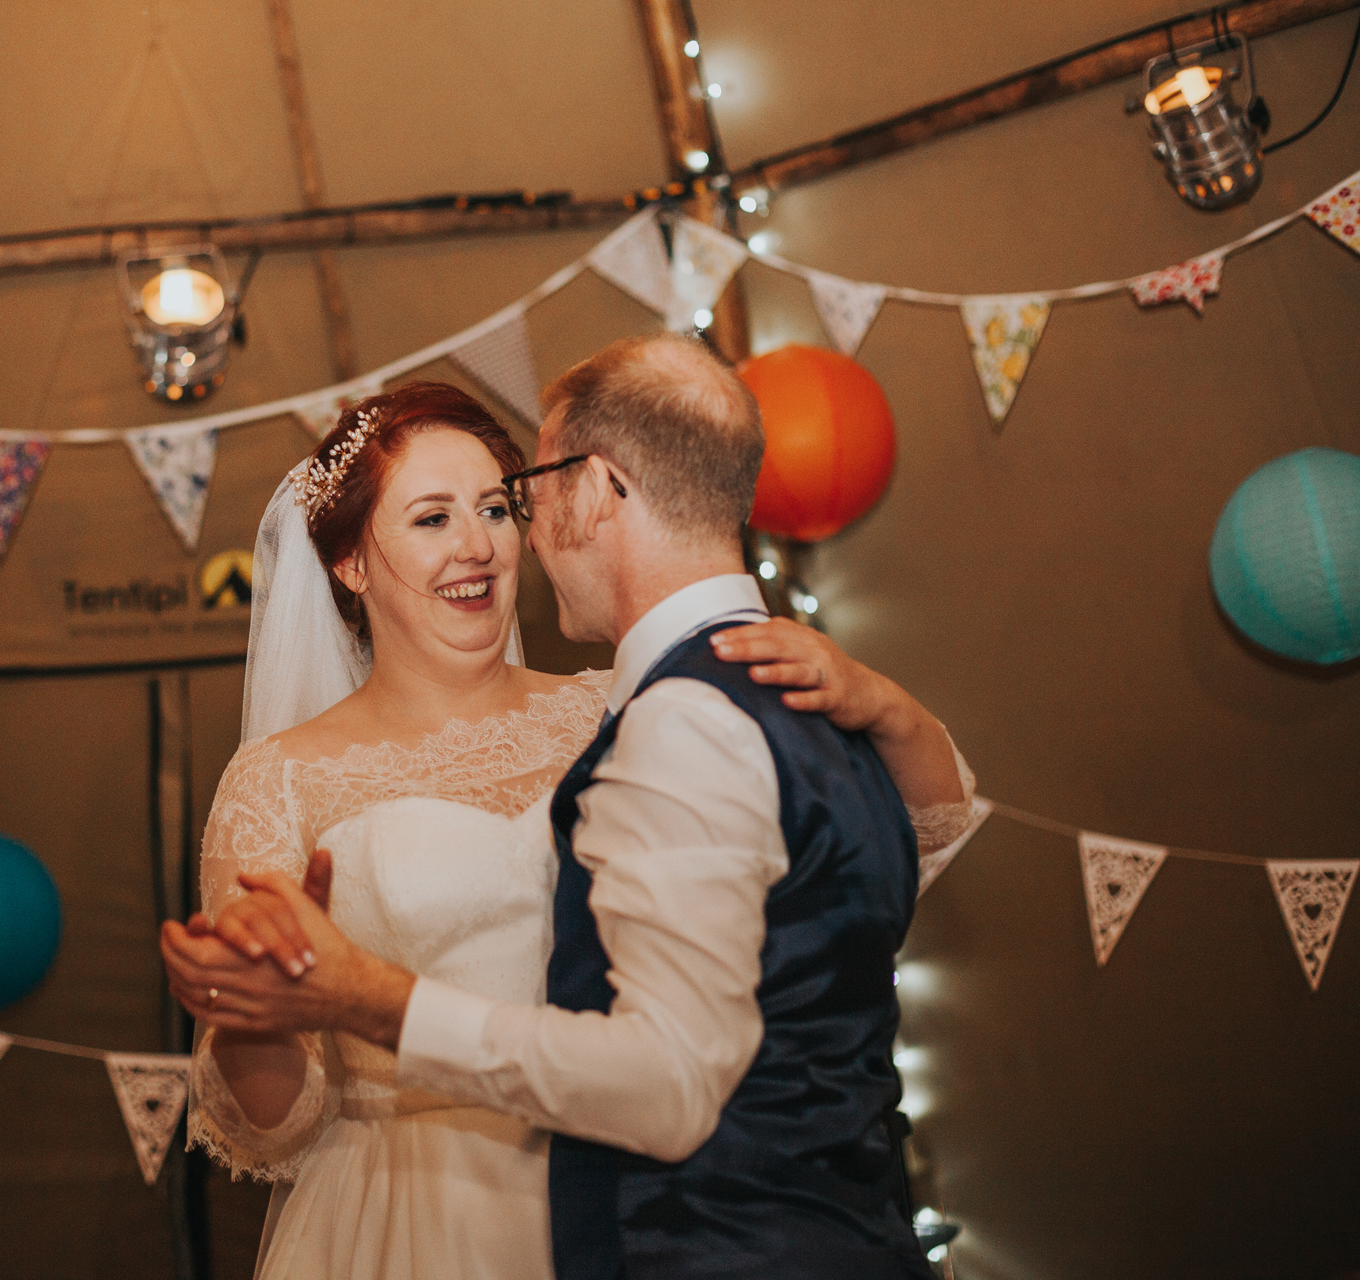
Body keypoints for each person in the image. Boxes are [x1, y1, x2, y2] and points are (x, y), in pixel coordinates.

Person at [169, 360, 973, 1279]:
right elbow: (278, 1126)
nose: (477, 545)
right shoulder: (280, 779)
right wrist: (257, 1018)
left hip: (647, 1194)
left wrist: (888, 706)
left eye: (497, 508)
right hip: (411, 1217)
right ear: (349, 562)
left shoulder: (630, 706)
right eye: (432, 519)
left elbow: (884, 853)